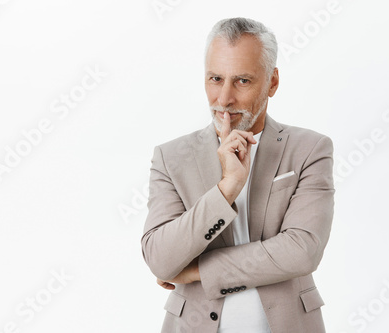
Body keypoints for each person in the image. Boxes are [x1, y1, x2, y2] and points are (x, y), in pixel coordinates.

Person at [141, 17, 334, 333]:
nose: (224, 99)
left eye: (242, 81)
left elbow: (302, 251)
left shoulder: (310, 149)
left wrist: (197, 270)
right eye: (216, 78)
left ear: (272, 82)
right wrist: (227, 188)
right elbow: (161, 261)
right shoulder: (171, 157)